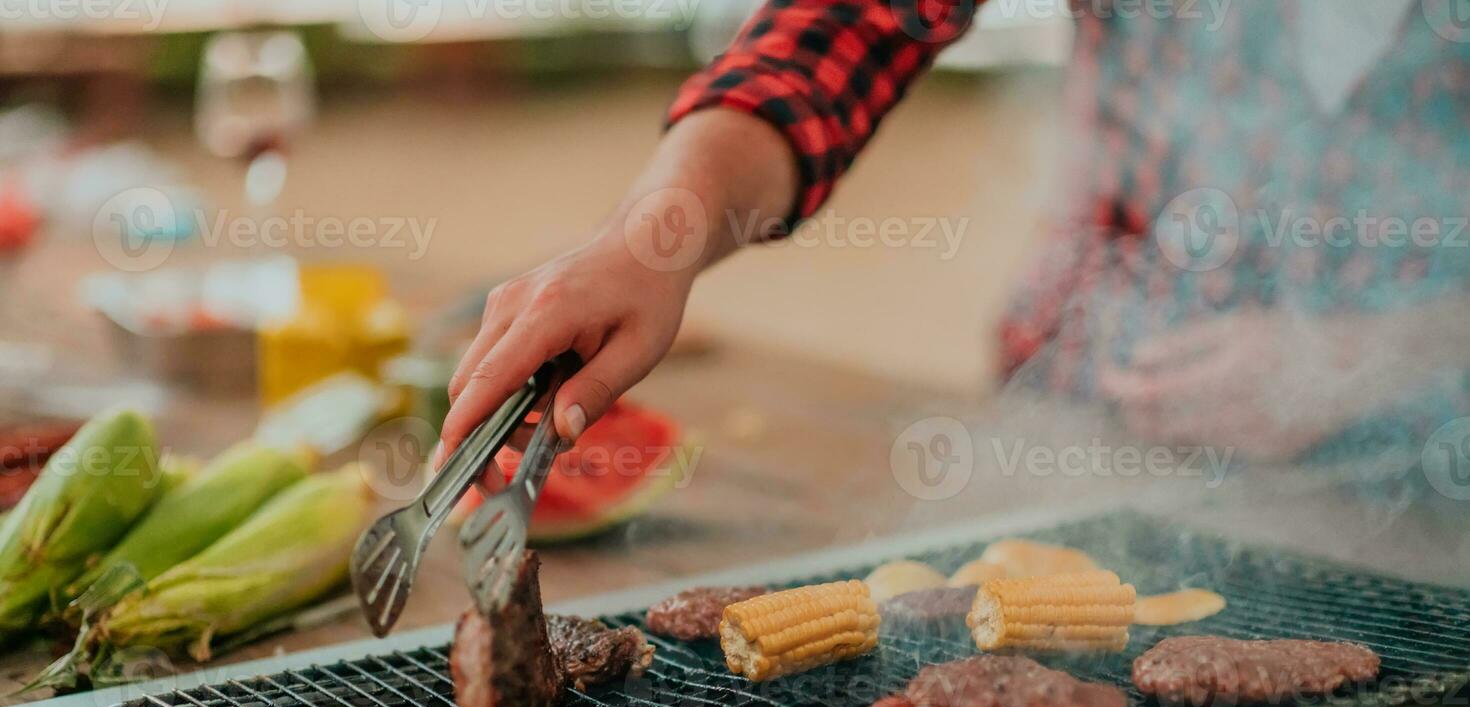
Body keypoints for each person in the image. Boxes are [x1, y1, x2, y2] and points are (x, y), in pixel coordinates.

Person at [439, 0, 1469, 474]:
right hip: (1085, 430)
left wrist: (1374, 355)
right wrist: (650, 238)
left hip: (1415, 485)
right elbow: (840, 29)